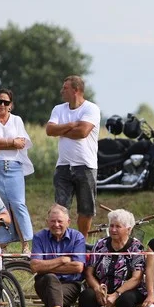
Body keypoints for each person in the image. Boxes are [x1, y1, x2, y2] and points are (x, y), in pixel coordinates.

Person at [78, 209, 147, 307]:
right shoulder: (100, 245)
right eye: (112, 226)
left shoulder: (136, 247)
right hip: (102, 287)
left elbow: (136, 278)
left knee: (126, 300)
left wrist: (116, 294)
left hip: (127, 288)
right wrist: (97, 288)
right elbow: (89, 272)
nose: (113, 229)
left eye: (118, 226)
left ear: (128, 229)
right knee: (86, 296)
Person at [0, 87, 35, 253]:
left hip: (14, 167)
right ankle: (2, 243)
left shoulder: (17, 120)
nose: (2, 105)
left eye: (6, 102)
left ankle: (26, 243)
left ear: (11, 105)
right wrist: (10, 143)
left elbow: (22, 143)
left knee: (18, 204)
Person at [46, 75, 101, 237]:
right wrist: (71, 125)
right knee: (60, 208)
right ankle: (61, 240)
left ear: (76, 90)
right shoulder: (58, 109)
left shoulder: (91, 109)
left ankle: (81, 242)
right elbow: (49, 131)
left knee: (85, 208)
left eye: (65, 88)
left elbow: (83, 132)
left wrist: (61, 130)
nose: (61, 91)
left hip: (86, 165)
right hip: (63, 165)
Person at [30, 204, 87, 307]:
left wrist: (47, 265)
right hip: (43, 283)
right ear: (47, 222)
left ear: (68, 222)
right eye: (53, 221)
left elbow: (78, 267)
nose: (56, 224)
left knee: (51, 297)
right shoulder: (39, 237)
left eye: (60, 221)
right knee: (50, 278)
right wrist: (61, 260)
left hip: (70, 285)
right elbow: (35, 266)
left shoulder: (77, 237)